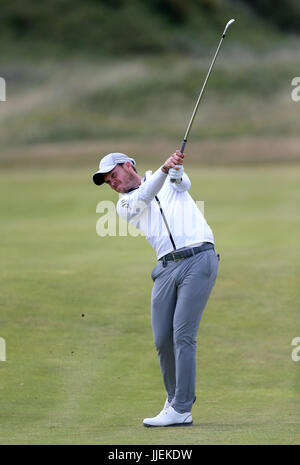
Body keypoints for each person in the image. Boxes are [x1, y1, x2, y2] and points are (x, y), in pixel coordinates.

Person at [93, 151, 219, 427]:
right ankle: (174, 400)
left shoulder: (165, 178)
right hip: (165, 268)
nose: (111, 183)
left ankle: (181, 407)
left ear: (128, 166)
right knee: (162, 339)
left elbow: (182, 185)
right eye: (107, 182)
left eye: (113, 176)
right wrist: (164, 170)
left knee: (182, 335)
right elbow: (145, 196)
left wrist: (174, 172)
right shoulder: (124, 204)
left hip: (199, 258)